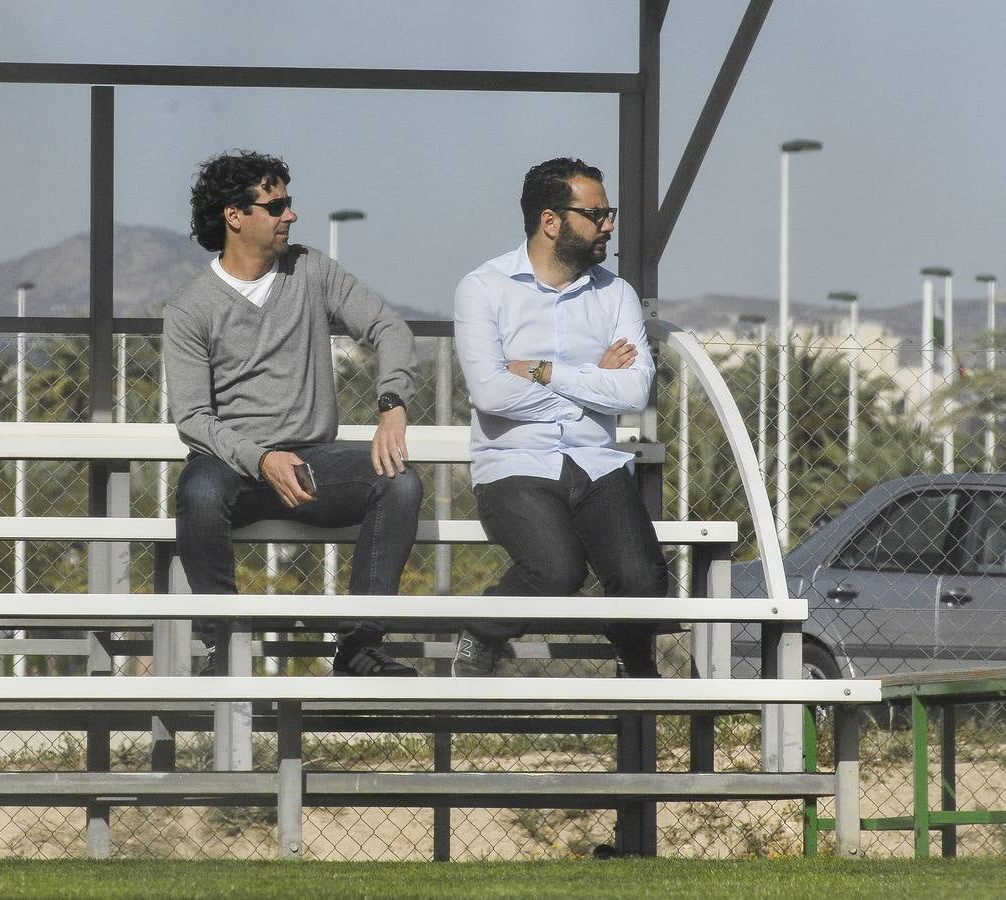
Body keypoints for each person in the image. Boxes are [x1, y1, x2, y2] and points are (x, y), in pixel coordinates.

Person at [164, 150, 423, 677]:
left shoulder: (311, 269)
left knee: (399, 484)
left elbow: (391, 329)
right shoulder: (190, 308)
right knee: (199, 491)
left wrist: (393, 404)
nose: (291, 215)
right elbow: (192, 418)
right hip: (233, 463)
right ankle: (225, 647)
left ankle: (359, 647)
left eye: (289, 202)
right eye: (276, 204)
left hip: (312, 464)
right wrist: (261, 459)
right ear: (235, 216)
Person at [451, 157, 668, 678]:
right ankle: (483, 633)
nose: (609, 225)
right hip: (514, 465)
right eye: (597, 214)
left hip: (597, 464)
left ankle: (631, 655)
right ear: (551, 221)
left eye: (609, 212)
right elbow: (492, 394)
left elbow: (635, 389)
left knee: (643, 583)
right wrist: (594, 379)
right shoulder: (482, 289)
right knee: (555, 571)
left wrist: (550, 372)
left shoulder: (616, 293)